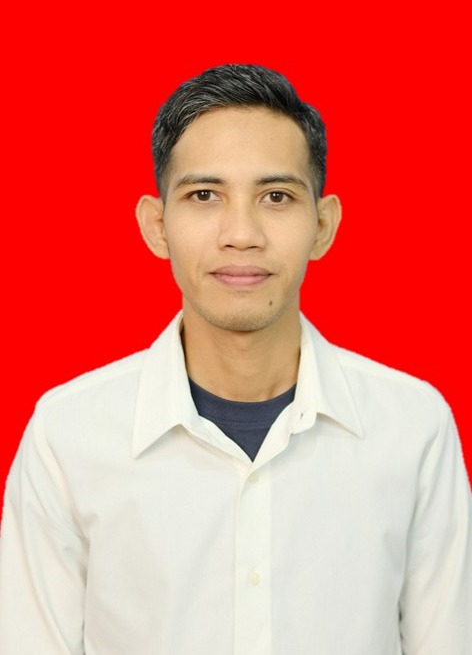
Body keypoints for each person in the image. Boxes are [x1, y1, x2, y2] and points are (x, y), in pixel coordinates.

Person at [0, 64, 470, 655]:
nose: (241, 233)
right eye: (204, 196)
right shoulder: (68, 435)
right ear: (157, 226)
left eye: (276, 197)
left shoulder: (413, 427)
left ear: (323, 225)